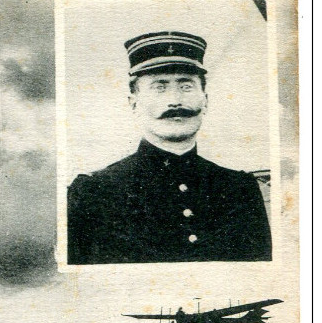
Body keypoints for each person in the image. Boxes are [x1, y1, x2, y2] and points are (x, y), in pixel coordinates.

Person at [67, 31, 271, 265]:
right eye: (159, 87)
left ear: (206, 101)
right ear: (133, 103)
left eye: (186, 86)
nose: (175, 101)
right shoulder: (94, 192)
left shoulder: (239, 189)